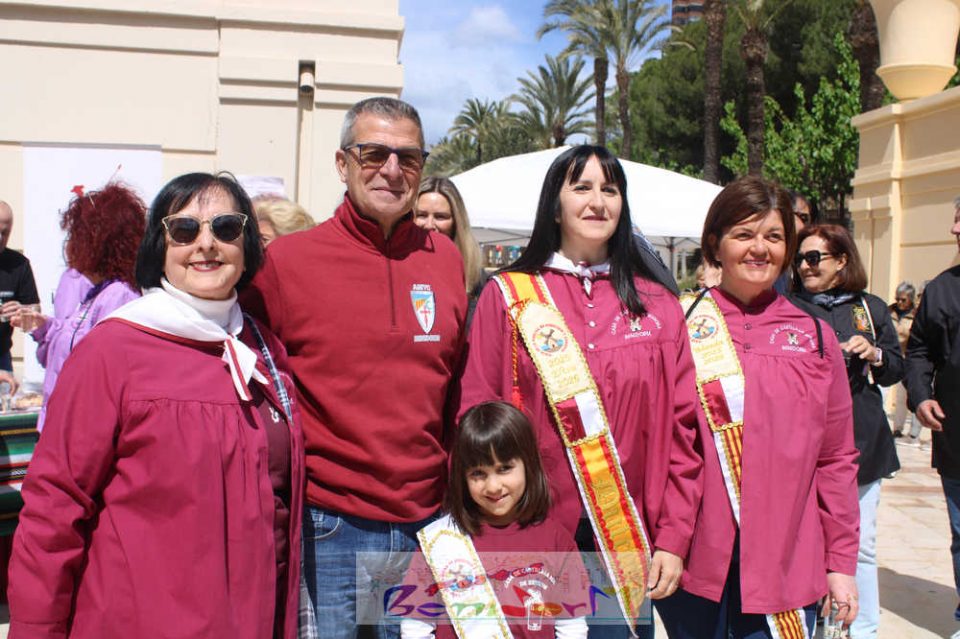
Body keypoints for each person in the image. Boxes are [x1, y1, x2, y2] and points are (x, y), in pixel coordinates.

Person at [8, 172, 306, 639]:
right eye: (184, 230)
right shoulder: (114, 351)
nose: (206, 244)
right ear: (158, 247)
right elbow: (54, 507)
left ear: (246, 243)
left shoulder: (262, 349)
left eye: (226, 227)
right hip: (142, 621)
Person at [241, 97, 467, 639]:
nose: (391, 169)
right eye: (373, 154)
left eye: (408, 157)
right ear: (343, 164)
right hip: (329, 525)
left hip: (427, 526)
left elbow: (455, 383)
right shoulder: (287, 263)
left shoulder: (445, 259)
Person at [459, 145, 703, 637]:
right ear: (555, 204)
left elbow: (685, 433)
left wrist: (674, 537)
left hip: (624, 537)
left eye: (610, 190)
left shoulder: (659, 307)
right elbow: (476, 412)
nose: (597, 201)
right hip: (527, 530)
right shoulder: (508, 297)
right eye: (582, 187)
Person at [656, 176, 860, 638]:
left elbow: (836, 459)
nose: (759, 249)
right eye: (744, 234)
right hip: (694, 563)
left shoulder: (815, 338)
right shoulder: (680, 326)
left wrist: (840, 563)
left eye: (774, 236)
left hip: (786, 563)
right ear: (715, 243)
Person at [793, 223, 901, 639]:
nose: (805, 266)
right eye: (800, 259)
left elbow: (894, 369)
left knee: (862, 545)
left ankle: (863, 630)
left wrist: (873, 353)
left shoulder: (869, 309)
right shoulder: (789, 308)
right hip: (806, 444)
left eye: (813, 258)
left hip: (863, 441)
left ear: (841, 261)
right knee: (810, 544)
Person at [399, 401, 589, 638]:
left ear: (528, 464)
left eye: (504, 468)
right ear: (462, 477)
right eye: (478, 473)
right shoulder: (441, 541)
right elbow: (415, 627)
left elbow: (572, 627)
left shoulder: (557, 540)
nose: (493, 486)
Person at [12, 183, 145, 430]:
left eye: (76, 236)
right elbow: (65, 353)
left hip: (77, 431)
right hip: (59, 426)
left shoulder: (119, 297)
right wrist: (44, 327)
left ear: (98, 244)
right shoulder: (98, 293)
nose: (69, 245)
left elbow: (100, 376)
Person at [905, 194, 960, 630]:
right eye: (956, 219)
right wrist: (921, 395)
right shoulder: (940, 289)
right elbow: (920, 350)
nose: (955, 229)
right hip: (955, 439)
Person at [415, 176, 487, 318]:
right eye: (421, 215)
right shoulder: (397, 266)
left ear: (456, 222)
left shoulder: (476, 278)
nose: (429, 225)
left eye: (440, 217)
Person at [0, 201, 40, 371]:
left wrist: (23, 312)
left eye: (4, 233)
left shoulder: (19, 264)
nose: (0, 238)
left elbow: (35, 312)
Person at [889, 282, 920, 442]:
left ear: (911, 299)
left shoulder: (917, 314)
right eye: (897, 299)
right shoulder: (889, 311)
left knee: (911, 395)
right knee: (895, 396)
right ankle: (897, 429)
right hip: (892, 357)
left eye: (903, 300)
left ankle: (914, 433)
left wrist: (900, 333)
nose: (899, 303)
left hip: (910, 359)